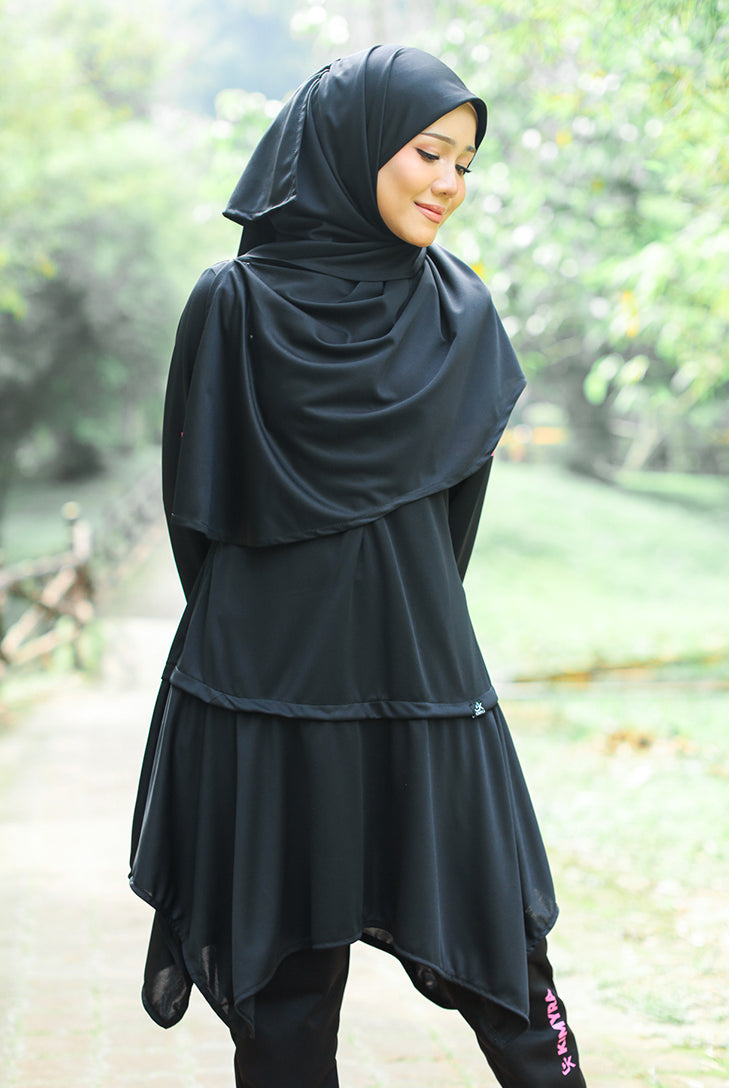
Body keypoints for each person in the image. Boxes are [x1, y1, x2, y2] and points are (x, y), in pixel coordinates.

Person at [130, 44, 587, 1087]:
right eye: (429, 151)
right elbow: (194, 509)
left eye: (465, 163)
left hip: (415, 682)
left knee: (508, 967)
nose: (449, 183)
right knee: (283, 1010)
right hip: (262, 697)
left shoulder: (460, 315)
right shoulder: (232, 303)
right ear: (352, 144)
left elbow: (449, 527)